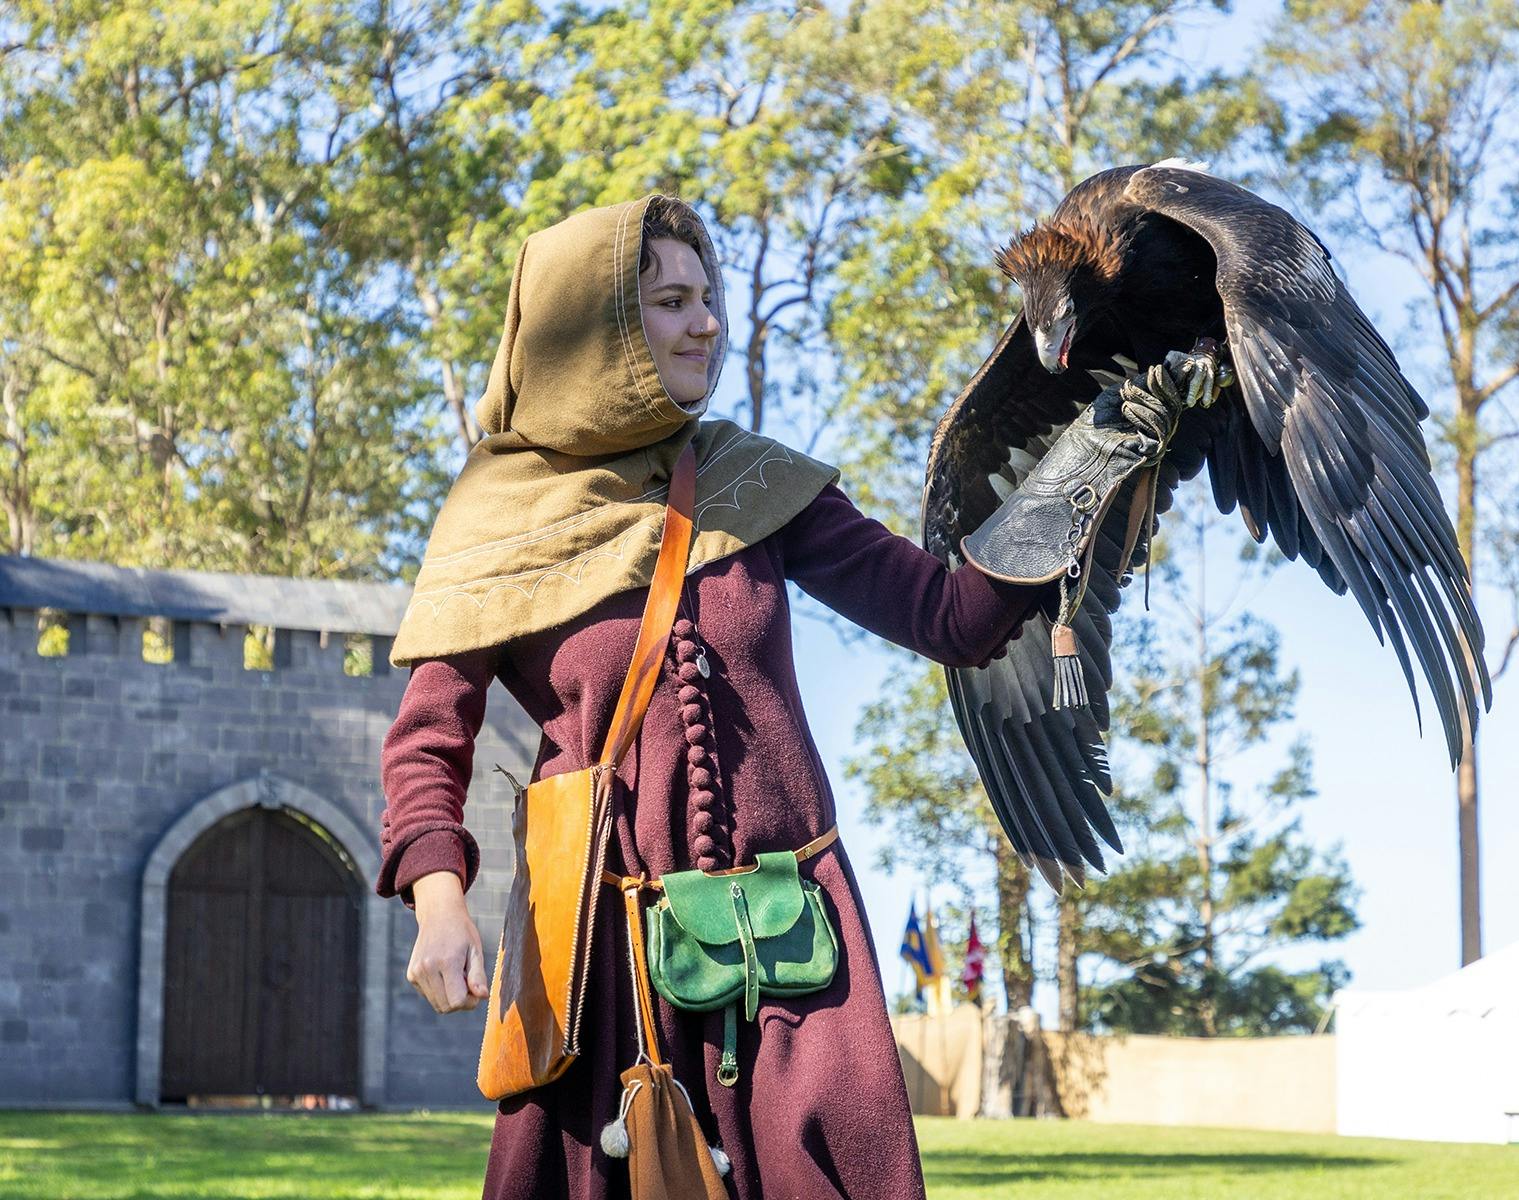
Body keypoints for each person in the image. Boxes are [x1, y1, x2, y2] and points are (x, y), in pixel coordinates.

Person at [375, 193, 1037, 1200]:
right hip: (603, 957)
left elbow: (950, 617)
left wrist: (1086, 468)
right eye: (670, 302)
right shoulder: (497, 518)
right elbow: (428, 740)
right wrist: (438, 901)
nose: (707, 325)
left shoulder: (752, 482)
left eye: (707, 297)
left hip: (792, 945)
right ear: (593, 327)